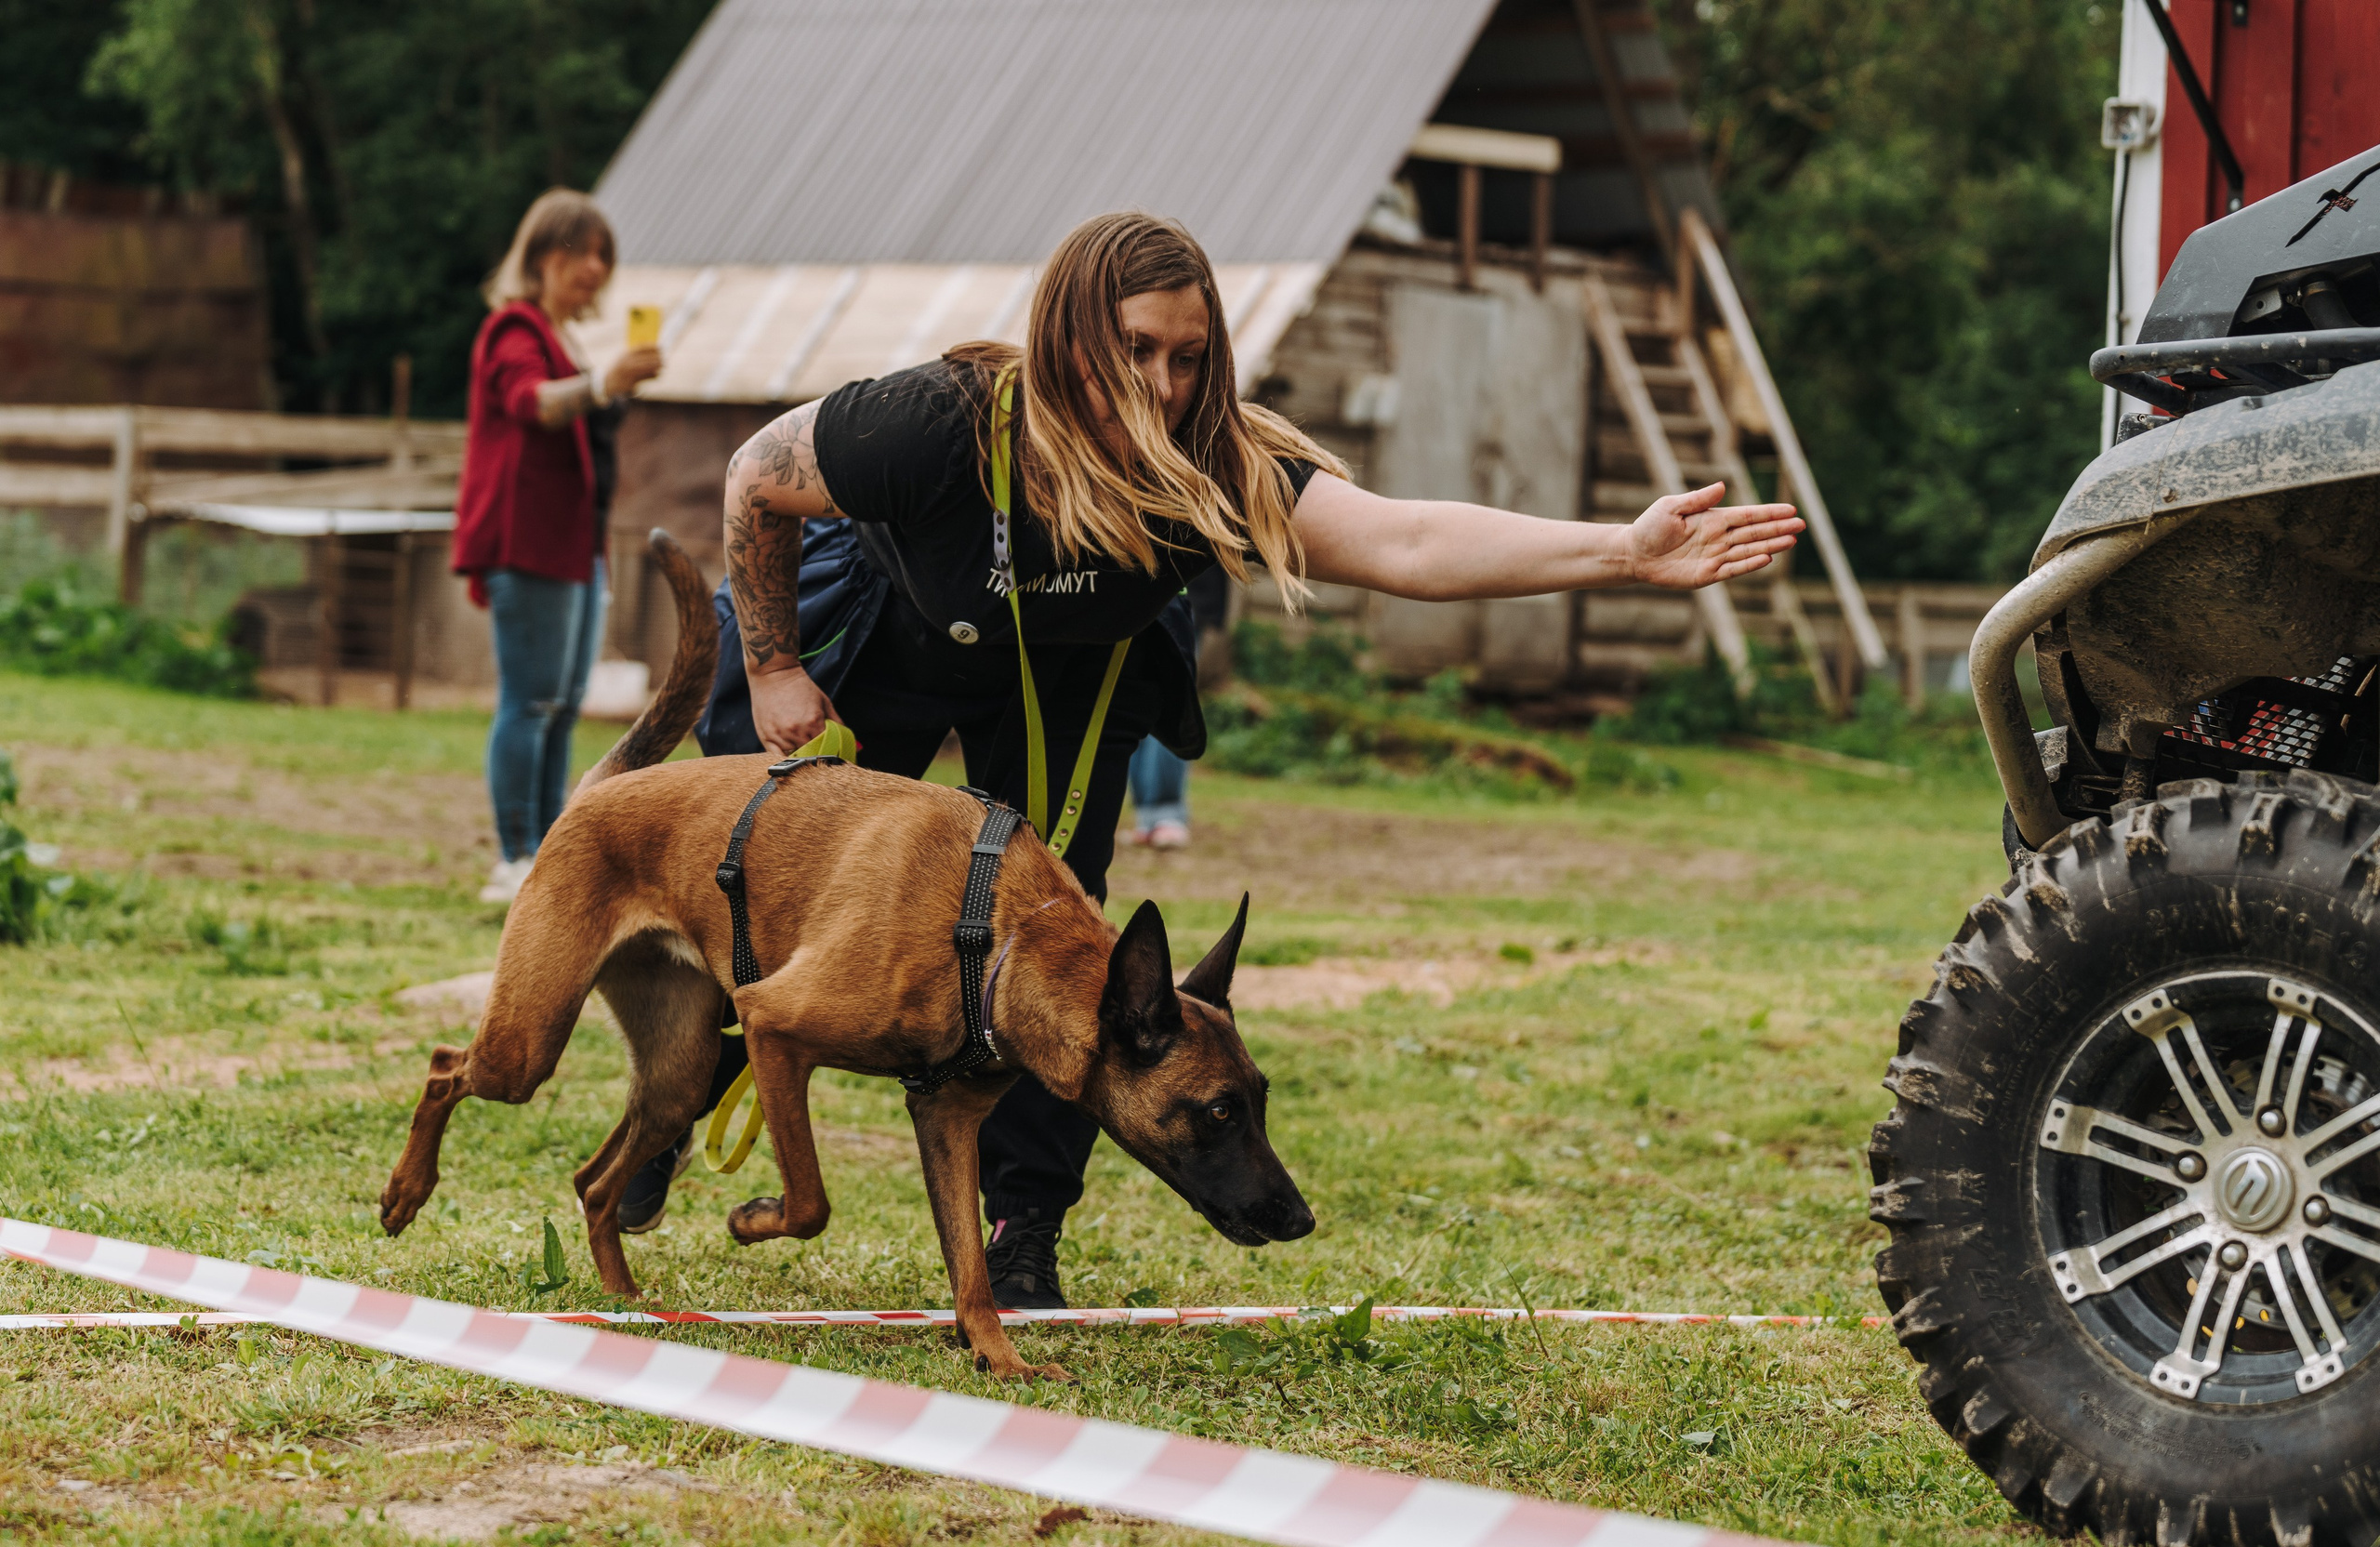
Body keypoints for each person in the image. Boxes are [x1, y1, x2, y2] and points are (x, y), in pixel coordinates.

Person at [619, 211, 1802, 1302]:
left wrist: (1622, 552)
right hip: (892, 632)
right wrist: (774, 666)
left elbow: (1407, 540)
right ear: (1067, 335)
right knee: (762, 894)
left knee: (1072, 961)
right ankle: (665, 1119)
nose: (1164, 384)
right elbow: (757, 476)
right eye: (1134, 349)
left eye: (1189, 356)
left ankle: (1024, 1232)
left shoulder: (1211, 467)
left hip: (1073, 676)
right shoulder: (939, 422)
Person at [452, 188, 663, 905]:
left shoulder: (562, 338)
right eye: (581, 253)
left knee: (564, 705)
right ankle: (513, 856)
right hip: (528, 542)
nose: (595, 268)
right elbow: (532, 403)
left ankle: (544, 853)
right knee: (531, 702)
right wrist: (604, 383)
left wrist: (605, 383)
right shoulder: (512, 329)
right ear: (542, 257)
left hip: (575, 547)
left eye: (604, 255)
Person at [1126, 563, 1227, 848]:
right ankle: (1151, 816)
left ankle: (1162, 814)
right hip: (1136, 594)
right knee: (1141, 706)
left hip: (1182, 594)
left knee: (1165, 703)